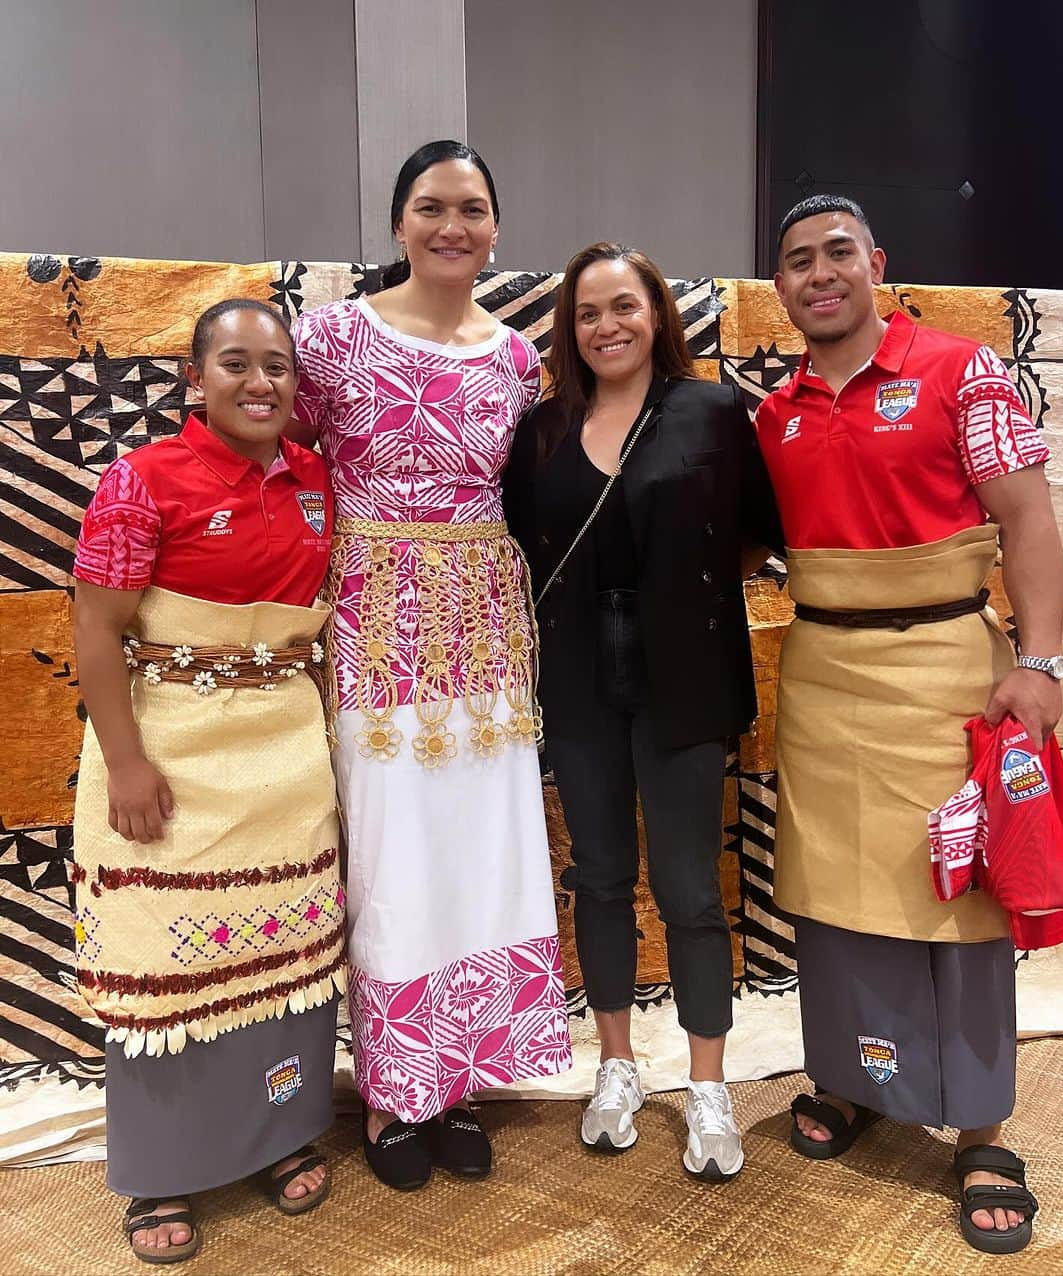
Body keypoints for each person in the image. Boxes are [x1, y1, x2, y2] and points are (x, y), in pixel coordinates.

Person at [755, 194, 1057, 1254]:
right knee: (836, 900)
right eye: (797, 261)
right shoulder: (776, 407)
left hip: (945, 670)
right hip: (828, 672)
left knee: (960, 898)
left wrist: (1041, 662)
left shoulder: (962, 371)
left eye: (838, 252)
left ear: (877, 262)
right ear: (781, 288)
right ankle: (853, 1078)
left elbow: (1027, 518)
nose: (819, 273)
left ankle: (981, 1130)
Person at [288, 139, 572, 1192]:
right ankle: (393, 1091)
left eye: (473, 207)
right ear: (397, 224)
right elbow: (285, 467)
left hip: (485, 631)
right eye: (431, 206)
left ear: (496, 227)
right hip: (371, 620)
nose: (453, 225)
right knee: (392, 848)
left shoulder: (516, 359)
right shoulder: (330, 340)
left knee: (482, 844)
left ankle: (464, 1077)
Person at [72, 299, 345, 1263]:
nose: (261, 382)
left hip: (286, 756)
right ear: (195, 378)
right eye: (236, 363)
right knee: (170, 966)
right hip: (172, 752)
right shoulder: (139, 481)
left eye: (277, 365)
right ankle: (161, 1173)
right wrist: (126, 762)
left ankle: (276, 1136)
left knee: (287, 959)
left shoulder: (318, 479)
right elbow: (96, 629)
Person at [503, 242, 782, 1180]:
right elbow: (519, 548)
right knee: (602, 875)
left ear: (658, 314)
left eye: (625, 306)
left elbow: (757, 534)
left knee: (693, 890)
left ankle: (709, 1083)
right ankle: (614, 1065)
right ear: (569, 329)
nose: (607, 326)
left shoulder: (709, 410)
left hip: (685, 679)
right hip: (578, 678)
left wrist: (683, 600)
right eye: (588, 312)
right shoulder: (540, 431)